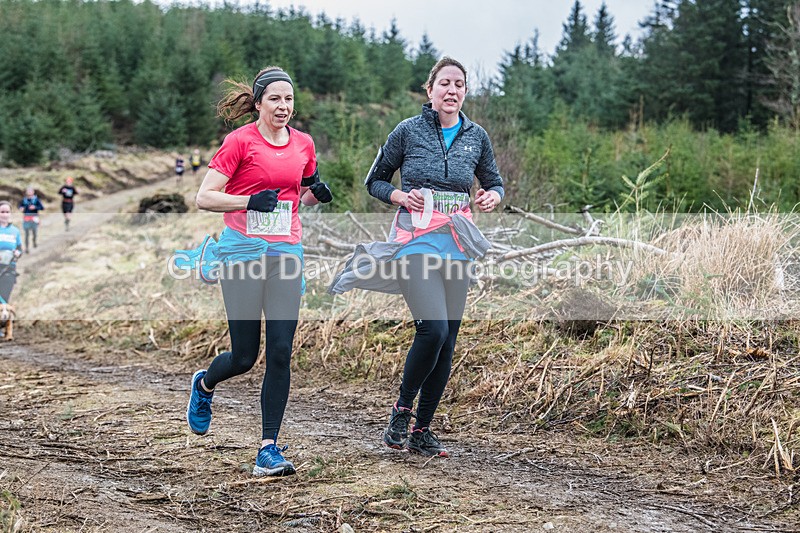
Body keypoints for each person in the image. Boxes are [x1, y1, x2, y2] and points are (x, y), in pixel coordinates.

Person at [331, 57, 504, 458]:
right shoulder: (407, 132)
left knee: (448, 343)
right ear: (430, 91)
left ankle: (422, 430)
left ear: (464, 92)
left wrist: (493, 195)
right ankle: (401, 410)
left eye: (459, 84)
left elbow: (493, 182)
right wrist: (398, 195)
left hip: (456, 247)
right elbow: (374, 180)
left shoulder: (477, 136)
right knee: (434, 331)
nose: (452, 90)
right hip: (415, 244)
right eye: (444, 83)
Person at [185, 66, 333, 477]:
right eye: (275, 99)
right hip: (243, 254)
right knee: (246, 356)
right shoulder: (239, 142)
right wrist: (248, 203)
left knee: (281, 351)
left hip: (286, 252)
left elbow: (297, 193)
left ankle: (267, 449)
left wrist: (314, 194)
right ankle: (204, 385)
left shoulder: (304, 143)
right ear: (258, 103)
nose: (284, 106)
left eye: (289, 99)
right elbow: (205, 197)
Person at [0, 201, 23, 308]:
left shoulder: (15, 231)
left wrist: (18, 253)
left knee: (4, 299)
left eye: (7, 212)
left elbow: (20, 248)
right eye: (2, 212)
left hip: (9, 269)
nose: (4, 214)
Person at [18, 186, 44, 253]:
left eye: (30, 191)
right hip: (26, 217)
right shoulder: (24, 200)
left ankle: (34, 242)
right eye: (28, 191)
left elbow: (42, 207)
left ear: (33, 192)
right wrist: (21, 208)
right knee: (26, 233)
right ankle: (27, 248)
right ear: (26, 192)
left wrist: (35, 207)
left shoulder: (36, 199)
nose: (29, 192)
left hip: (34, 217)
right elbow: (20, 206)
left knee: (34, 232)